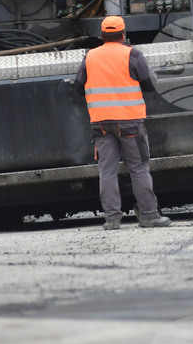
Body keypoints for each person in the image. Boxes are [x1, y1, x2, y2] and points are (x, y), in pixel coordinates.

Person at [73, 16, 171, 230]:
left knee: (106, 171)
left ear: (101, 36)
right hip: (129, 123)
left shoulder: (90, 56)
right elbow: (149, 85)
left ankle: (112, 220)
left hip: (100, 123)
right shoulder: (132, 54)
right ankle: (149, 215)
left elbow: (78, 88)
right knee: (139, 168)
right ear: (123, 35)